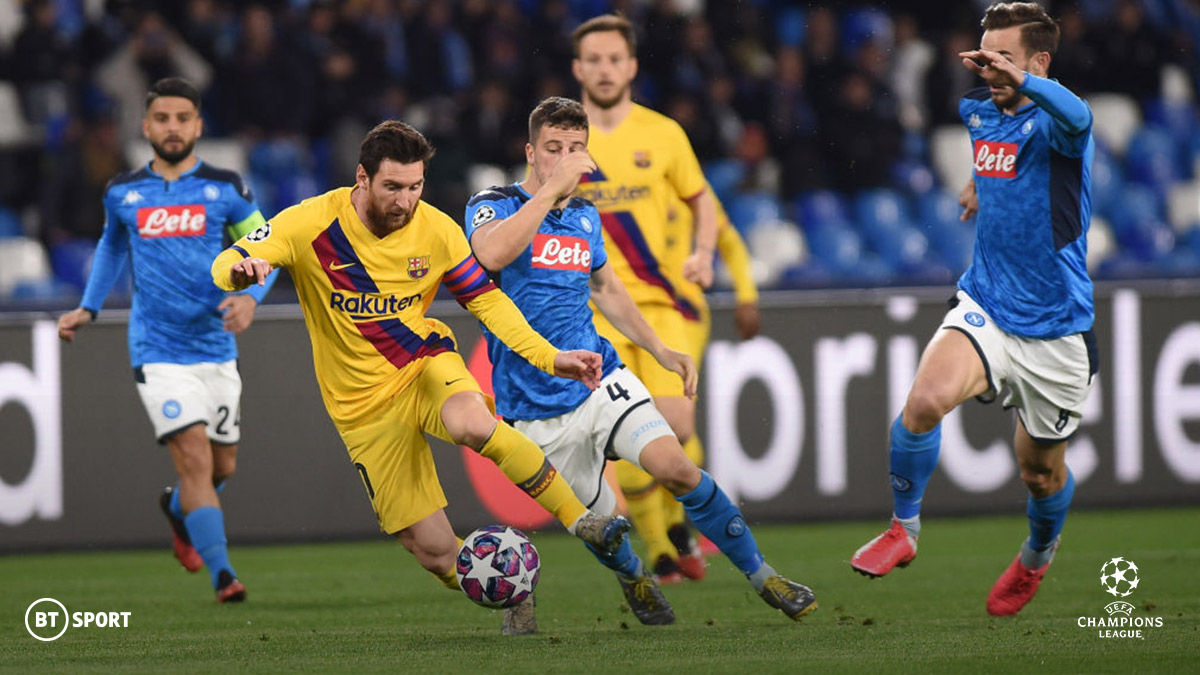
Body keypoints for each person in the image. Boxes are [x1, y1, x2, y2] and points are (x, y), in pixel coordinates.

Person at [210, 120, 630, 634]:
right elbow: (229, 259)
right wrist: (241, 271)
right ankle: (515, 590)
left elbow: (488, 302)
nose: (405, 201)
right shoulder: (310, 223)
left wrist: (549, 356)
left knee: (470, 423)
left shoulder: (437, 230)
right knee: (432, 552)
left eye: (415, 187)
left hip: (422, 363)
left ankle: (582, 520)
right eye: (392, 187)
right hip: (361, 409)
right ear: (361, 178)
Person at [465, 96, 817, 627]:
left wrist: (660, 349)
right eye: (554, 149)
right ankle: (634, 577)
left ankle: (763, 574)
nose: (566, 158)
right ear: (530, 152)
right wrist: (552, 191)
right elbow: (490, 255)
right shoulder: (492, 203)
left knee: (677, 468)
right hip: (533, 405)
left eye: (576, 149)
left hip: (599, 377)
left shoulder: (584, 216)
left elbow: (607, 288)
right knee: (600, 520)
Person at [850, 2, 1097, 617]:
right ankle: (903, 529)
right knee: (924, 401)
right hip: (986, 300)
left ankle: (1038, 554)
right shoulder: (981, 112)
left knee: (1039, 474)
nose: (989, 68)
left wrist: (1026, 85)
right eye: (984, 55)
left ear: (1040, 62)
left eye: (1004, 58)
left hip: (1058, 326)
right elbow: (1004, 161)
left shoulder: (1058, 120)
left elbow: (1079, 115)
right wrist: (978, 186)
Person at [57, 77, 278, 603]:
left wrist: (250, 297)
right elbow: (111, 248)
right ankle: (223, 575)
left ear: (199, 125)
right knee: (196, 459)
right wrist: (89, 307)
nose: (173, 127)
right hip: (157, 350)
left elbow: (268, 244)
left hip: (216, 347)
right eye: (163, 118)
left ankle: (178, 513)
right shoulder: (122, 192)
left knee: (223, 466)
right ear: (146, 125)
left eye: (183, 118)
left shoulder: (225, 187)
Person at [570, 13, 720, 583]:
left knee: (677, 422)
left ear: (631, 67)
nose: (605, 70)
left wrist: (703, 252)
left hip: (659, 302)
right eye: (594, 60)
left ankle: (672, 525)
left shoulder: (662, 133)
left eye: (615, 59)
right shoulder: (565, 141)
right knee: (620, 429)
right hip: (592, 310)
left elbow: (701, 199)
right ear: (578, 69)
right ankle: (659, 549)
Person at [646, 185, 762, 580]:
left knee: (675, 425)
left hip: (685, 315)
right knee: (639, 423)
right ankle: (664, 540)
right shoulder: (623, 191)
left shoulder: (694, 198)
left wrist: (746, 296)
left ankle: (675, 527)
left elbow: (730, 241)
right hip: (632, 317)